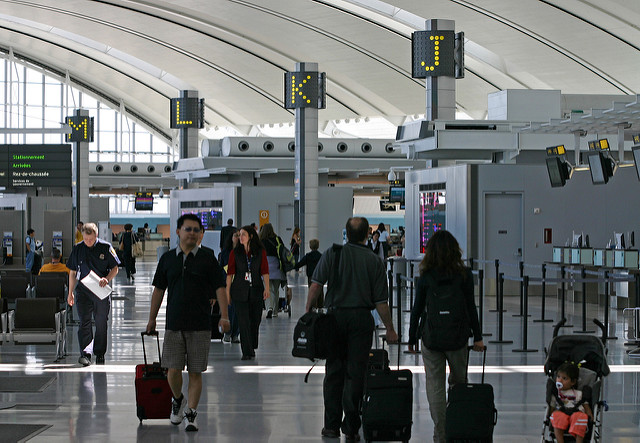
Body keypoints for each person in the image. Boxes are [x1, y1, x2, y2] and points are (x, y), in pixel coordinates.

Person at [305, 217, 398, 441]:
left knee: (334, 372)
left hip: (335, 319)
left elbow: (316, 284)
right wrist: (390, 328)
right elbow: (381, 303)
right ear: (368, 234)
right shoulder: (374, 260)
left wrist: (308, 312)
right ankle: (351, 427)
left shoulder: (333, 253)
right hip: (360, 321)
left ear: (346, 233)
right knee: (356, 374)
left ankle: (330, 426)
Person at [146, 213, 229, 432]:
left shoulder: (208, 259)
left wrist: (225, 315)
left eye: (196, 230)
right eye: (188, 229)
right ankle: (178, 399)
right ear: (178, 232)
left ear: (201, 235)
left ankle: (191, 414)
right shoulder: (167, 259)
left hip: (200, 325)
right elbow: (158, 290)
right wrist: (152, 318)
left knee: (195, 371)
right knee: (172, 370)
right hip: (174, 324)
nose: (192, 233)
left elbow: (220, 288)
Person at [407, 230, 484, 443]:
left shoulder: (426, 276)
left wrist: (412, 337)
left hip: (432, 338)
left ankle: (441, 433)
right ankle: (457, 427)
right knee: (459, 383)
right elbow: (471, 307)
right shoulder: (465, 275)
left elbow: (417, 309)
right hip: (458, 337)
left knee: (434, 386)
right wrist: (477, 337)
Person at [67, 222, 120, 367]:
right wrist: (70, 293)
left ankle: (100, 352)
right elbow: (72, 272)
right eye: (85, 239)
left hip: (101, 291)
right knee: (84, 322)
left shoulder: (106, 247)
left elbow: (115, 268)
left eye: (91, 239)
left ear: (96, 235)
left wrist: (107, 279)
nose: (88, 242)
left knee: (101, 322)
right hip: (83, 291)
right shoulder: (78, 249)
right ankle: (86, 354)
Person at [225, 225, 269, 360]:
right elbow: (230, 273)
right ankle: (247, 351)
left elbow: (265, 271)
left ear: (250, 236)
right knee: (243, 321)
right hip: (239, 290)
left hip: (256, 289)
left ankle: (252, 344)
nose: (240, 237)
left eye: (243, 234)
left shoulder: (260, 252)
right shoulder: (235, 253)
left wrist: (267, 288)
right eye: (239, 235)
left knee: (255, 320)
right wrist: (227, 292)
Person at [549, 361, 593, 443]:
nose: (560, 380)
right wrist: (550, 414)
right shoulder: (556, 394)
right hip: (561, 412)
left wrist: (590, 415)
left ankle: (579, 441)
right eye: (558, 377)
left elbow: (586, 406)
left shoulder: (579, 393)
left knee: (581, 417)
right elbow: (552, 407)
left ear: (573, 382)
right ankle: (560, 441)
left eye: (564, 378)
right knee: (556, 415)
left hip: (577, 412)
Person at [258, 223, 285, 319]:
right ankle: (275, 311)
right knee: (275, 290)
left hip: (265, 267)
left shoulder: (261, 241)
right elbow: (283, 251)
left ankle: (269, 307)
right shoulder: (277, 239)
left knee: (267, 289)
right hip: (277, 267)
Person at [218, 229, 240, 343]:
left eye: (239, 236)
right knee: (230, 308)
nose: (237, 238)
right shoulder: (226, 252)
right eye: (235, 236)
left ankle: (235, 333)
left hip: (239, 284)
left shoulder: (243, 251)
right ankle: (227, 332)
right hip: (228, 283)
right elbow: (221, 267)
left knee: (238, 310)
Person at [294, 239, 323, 308]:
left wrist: (291, 266)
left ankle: (313, 307)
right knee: (320, 293)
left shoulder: (308, 256)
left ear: (310, 247)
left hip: (311, 277)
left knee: (312, 292)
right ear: (318, 246)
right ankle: (320, 307)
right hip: (319, 277)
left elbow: (299, 264)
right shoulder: (321, 256)